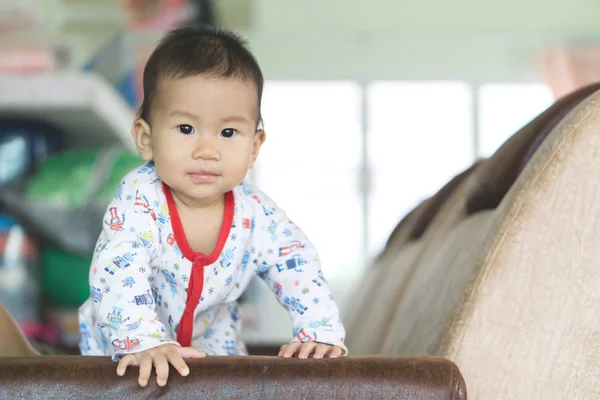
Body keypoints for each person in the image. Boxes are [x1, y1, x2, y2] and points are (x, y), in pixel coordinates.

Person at [78, 25, 347, 388]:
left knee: (230, 385)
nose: (207, 150)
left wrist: (318, 329)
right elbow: (118, 270)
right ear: (146, 138)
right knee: (124, 384)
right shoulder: (140, 199)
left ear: (254, 147)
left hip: (213, 345)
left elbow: (293, 260)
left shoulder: (256, 213)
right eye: (186, 129)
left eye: (228, 133)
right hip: (125, 343)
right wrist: (145, 340)